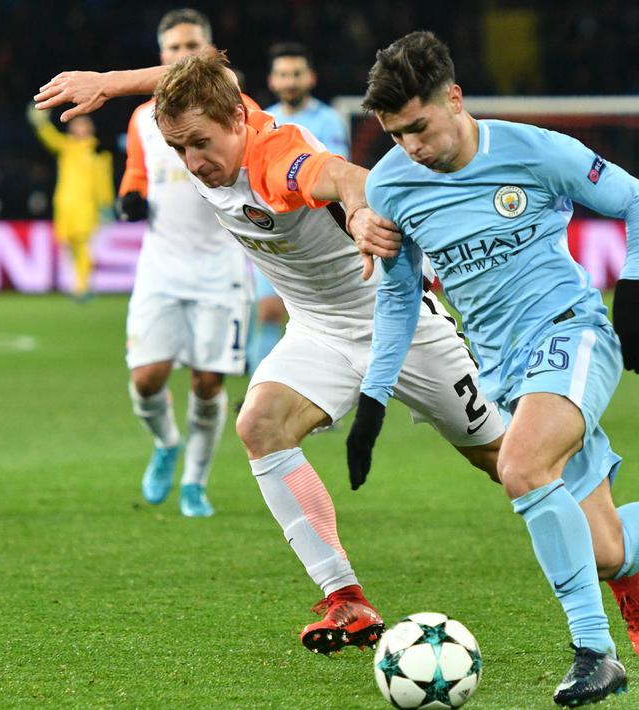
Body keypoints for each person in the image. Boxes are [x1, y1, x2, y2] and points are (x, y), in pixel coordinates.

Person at [348, 31, 639, 706]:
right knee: (607, 551)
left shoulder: (534, 150)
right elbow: (401, 296)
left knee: (520, 467)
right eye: (395, 134)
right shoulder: (390, 185)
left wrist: (634, 294)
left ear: (454, 99)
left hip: (570, 332)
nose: (410, 146)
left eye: (419, 127)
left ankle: (595, 653)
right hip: (504, 374)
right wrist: (374, 398)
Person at [34, 52, 507, 656]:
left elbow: (345, 175)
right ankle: (347, 600)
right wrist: (108, 83)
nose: (193, 162)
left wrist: (361, 211)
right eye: (178, 148)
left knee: (506, 463)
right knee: (259, 424)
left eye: (200, 144)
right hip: (319, 329)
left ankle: (610, 549)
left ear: (236, 120)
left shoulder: (274, 157)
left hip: (400, 324)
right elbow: (199, 72)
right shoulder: (217, 112)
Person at [115, 8, 251, 517]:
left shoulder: (238, 109)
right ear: (160, 55)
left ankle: (195, 482)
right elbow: (137, 173)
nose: (181, 56)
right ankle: (166, 443)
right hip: (161, 266)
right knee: (146, 378)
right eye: (173, 48)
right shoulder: (142, 118)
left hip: (221, 266)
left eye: (191, 46)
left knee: (207, 382)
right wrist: (128, 198)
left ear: (211, 53)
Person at [243, 41, 350, 376]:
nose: (290, 81)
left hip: (319, 232)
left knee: (324, 320)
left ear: (311, 77)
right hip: (274, 230)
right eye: (283, 74)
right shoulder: (261, 121)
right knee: (268, 311)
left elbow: (334, 173)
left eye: (296, 74)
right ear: (272, 80)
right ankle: (259, 387)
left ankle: (322, 387)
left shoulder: (329, 120)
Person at [28, 105, 113, 300]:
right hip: (65, 205)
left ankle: (82, 286)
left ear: (90, 128)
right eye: (76, 125)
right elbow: (49, 138)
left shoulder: (97, 150)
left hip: (86, 207)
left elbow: (104, 180)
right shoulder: (67, 146)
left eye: (83, 125)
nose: (79, 128)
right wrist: (40, 123)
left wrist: (106, 204)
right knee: (68, 245)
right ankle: (78, 282)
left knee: (83, 245)